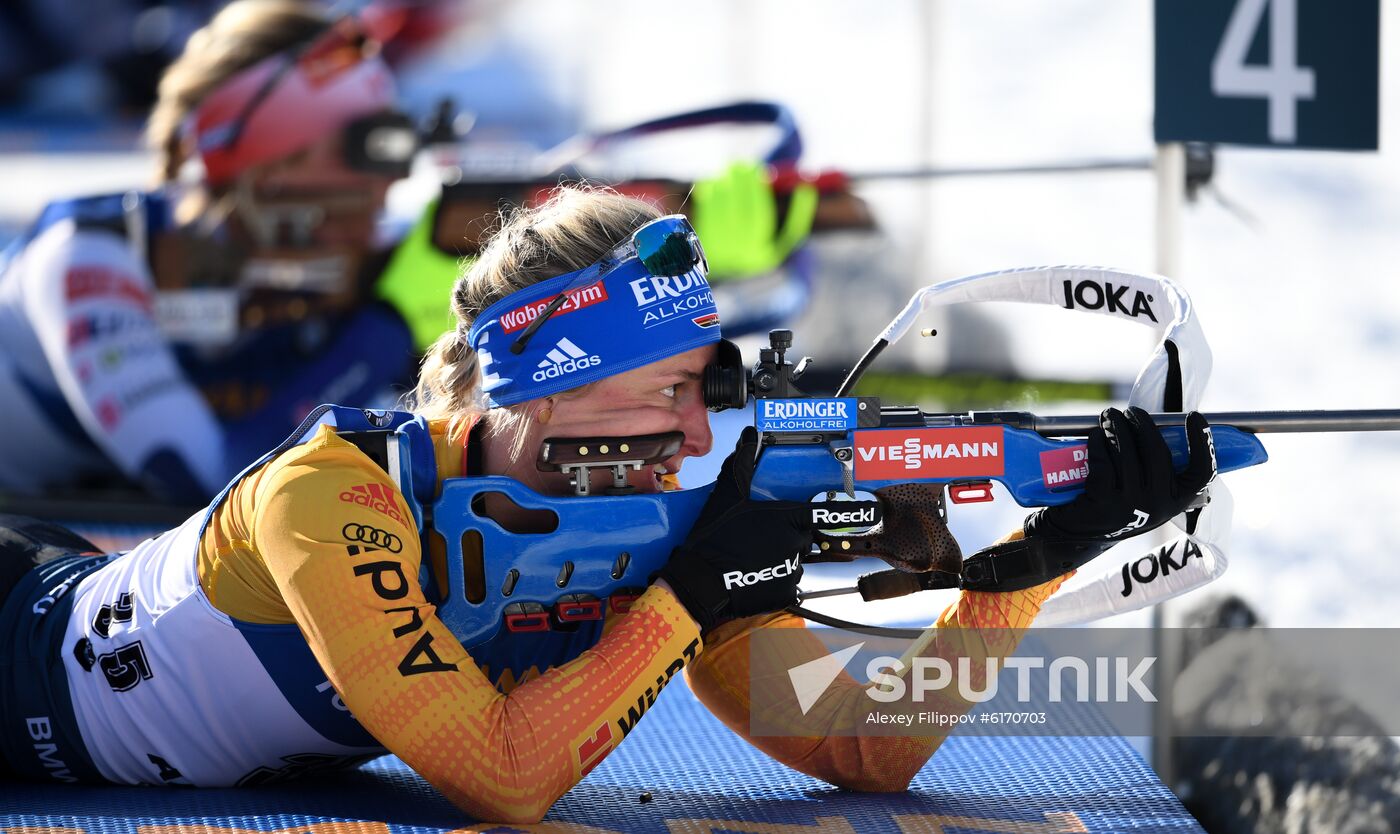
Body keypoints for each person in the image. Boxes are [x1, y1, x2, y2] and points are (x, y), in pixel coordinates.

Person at [0, 185, 1215, 822]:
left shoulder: (660, 511)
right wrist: (692, 595)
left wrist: (1021, 571)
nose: (696, 435)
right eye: (669, 392)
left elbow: (860, 751)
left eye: (710, 391)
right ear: (547, 379)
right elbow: (503, 778)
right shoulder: (328, 496)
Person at [0, 0, 420, 501]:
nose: (370, 220)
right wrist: (384, 336)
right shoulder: (89, 257)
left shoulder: (352, 256)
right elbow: (205, 482)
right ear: (267, 175)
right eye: (342, 208)